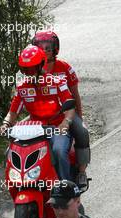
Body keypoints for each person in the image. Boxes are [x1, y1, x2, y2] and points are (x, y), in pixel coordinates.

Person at [0, 45, 76, 181]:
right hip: (33, 129)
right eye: (24, 70)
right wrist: (5, 124)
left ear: (41, 65)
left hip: (56, 128)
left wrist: (66, 122)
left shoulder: (57, 82)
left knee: (58, 151)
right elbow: (13, 112)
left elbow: (70, 107)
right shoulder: (22, 87)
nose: (29, 73)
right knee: (10, 152)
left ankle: (66, 187)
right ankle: (19, 185)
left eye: (32, 68)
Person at [32, 31, 90, 188]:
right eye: (40, 47)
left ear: (55, 49)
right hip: (44, 117)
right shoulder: (33, 70)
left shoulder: (65, 68)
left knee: (83, 132)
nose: (44, 51)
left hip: (66, 114)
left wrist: (79, 117)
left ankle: (81, 172)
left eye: (48, 48)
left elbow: (75, 95)